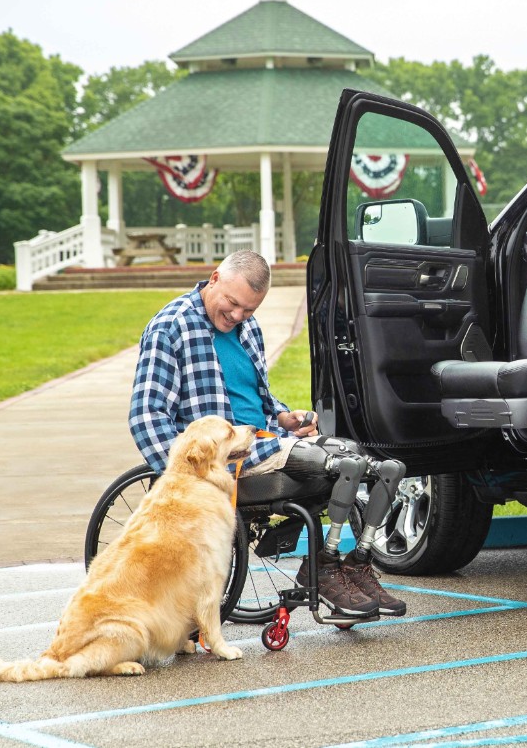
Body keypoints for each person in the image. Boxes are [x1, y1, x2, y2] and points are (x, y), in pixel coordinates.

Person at [128, 250, 407, 618]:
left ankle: (356, 562)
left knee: (382, 465)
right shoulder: (171, 327)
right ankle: (322, 570)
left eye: (249, 310)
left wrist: (283, 416)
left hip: (267, 441)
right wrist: (182, 474)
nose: (238, 316)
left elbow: (256, 393)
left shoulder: (247, 328)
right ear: (214, 279)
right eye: (233, 303)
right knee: (343, 463)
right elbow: (145, 415)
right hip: (225, 458)